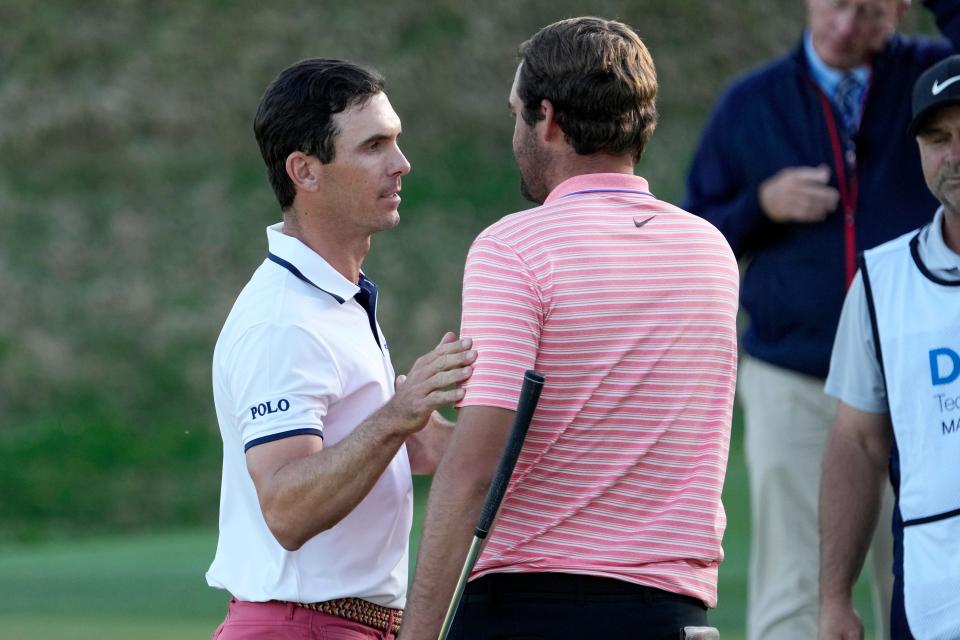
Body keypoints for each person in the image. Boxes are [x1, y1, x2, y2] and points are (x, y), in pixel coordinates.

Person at [398, 17, 739, 640]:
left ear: (548, 120)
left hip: (535, 610)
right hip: (674, 615)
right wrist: (444, 442)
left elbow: (478, 472)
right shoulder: (709, 251)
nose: (514, 134)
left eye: (515, 115)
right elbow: (606, 436)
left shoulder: (516, 249)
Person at [683, 1, 960, 637]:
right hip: (796, 375)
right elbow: (695, 234)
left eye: (867, 11)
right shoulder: (753, 101)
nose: (844, 27)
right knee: (795, 589)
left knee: (921, 571)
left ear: (899, 8)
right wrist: (760, 205)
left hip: (921, 373)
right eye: (835, 5)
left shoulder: (932, 80)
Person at [205, 58, 477, 639]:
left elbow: (401, 456)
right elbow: (287, 507)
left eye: (396, 141)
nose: (401, 164)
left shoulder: (335, 300)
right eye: (374, 145)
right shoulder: (283, 321)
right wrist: (397, 416)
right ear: (305, 170)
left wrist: (487, 432)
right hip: (298, 629)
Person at [820, 54, 960, 640]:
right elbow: (857, 440)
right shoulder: (882, 282)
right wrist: (834, 599)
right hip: (935, 597)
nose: (954, 155)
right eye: (938, 138)